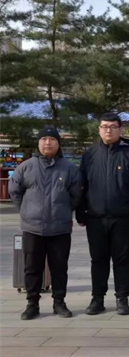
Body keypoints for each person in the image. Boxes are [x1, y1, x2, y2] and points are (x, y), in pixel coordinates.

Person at [9, 127, 82, 320]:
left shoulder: (69, 168)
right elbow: (14, 191)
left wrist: (64, 211)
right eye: (44, 139)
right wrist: (26, 210)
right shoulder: (26, 167)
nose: (47, 143)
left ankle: (59, 303)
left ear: (58, 144)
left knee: (60, 268)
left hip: (60, 228)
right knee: (32, 268)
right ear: (38, 143)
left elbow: (76, 195)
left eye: (52, 139)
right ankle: (32, 304)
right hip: (32, 228)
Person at [76, 113, 129, 316]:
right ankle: (97, 298)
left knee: (122, 260)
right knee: (98, 260)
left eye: (113, 127)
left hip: (123, 218)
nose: (108, 130)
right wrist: (80, 212)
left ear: (120, 130)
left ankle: (122, 297)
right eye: (104, 126)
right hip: (95, 217)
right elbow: (81, 186)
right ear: (99, 129)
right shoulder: (89, 155)